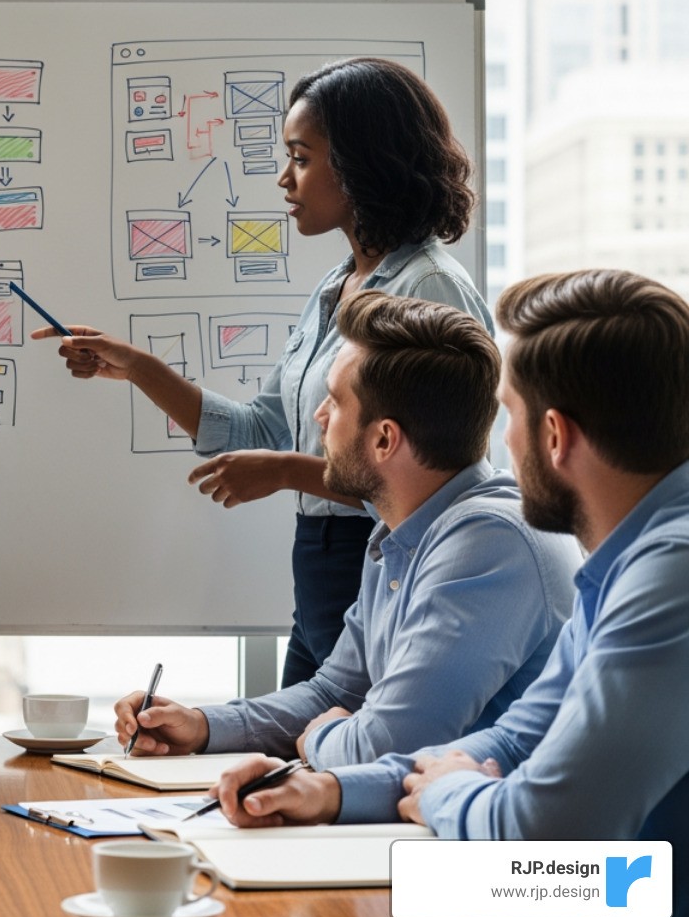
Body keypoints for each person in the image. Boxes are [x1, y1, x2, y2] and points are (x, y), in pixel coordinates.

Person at [208, 269, 689, 917]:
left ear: (555, 436)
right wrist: (334, 791)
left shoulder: (672, 576)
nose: (502, 443)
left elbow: (549, 833)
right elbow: (523, 738)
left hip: (602, 900)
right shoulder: (622, 567)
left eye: (511, 416)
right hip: (604, 897)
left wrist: (447, 793)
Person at [35, 57, 492, 686]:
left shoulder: (429, 285)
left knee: (342, 765)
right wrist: (139, 368)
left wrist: (287, 473)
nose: (284, 179)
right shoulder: (336, 288)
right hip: (320, 567)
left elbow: (442, 477)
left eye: (301, 158)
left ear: (362, 162)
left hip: (382, 563)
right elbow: (262, 428)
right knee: (295, 753)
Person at [113, 292, 577, 768]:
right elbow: (336, 690)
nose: (319, 418)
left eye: (333, 402)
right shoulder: (398, 534)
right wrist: (202, 725)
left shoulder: (489, 544)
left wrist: (319, 736)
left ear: (383, 439)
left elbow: (390, 744)